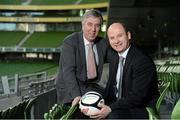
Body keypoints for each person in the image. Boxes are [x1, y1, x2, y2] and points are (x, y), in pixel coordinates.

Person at [90, 22, 159, 119]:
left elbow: (137, 98)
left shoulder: (142, 60)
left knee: (114, 116)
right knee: (88, 112)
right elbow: (110, 89)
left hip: (141, 109)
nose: (116, 41)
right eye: (112, 38)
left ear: (128, 35)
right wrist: (93, 101)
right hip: (121, 105)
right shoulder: (116, 57)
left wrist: (110, 108)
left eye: (119, 36)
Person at [55, 9, 108, 106]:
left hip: (88, 87)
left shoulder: (103, 43)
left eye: (97, 25)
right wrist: (76, 95)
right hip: (69, 88)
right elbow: (68, 71)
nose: (93, 29)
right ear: (83, 25)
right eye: (90, 24)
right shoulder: (70, 42)